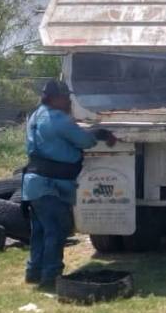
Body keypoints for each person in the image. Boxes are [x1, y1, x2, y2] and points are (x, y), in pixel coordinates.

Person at [22, 79, 116, 289]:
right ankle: (51, 276)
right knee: (56, 229)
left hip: (34, 183)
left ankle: (34, 271)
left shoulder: (36, 115)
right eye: (66, 97)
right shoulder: (58, 119)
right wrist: (99, 133)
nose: (69, 101)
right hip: (51, 185)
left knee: (40, 230)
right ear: (56, 98)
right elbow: (84, 141)